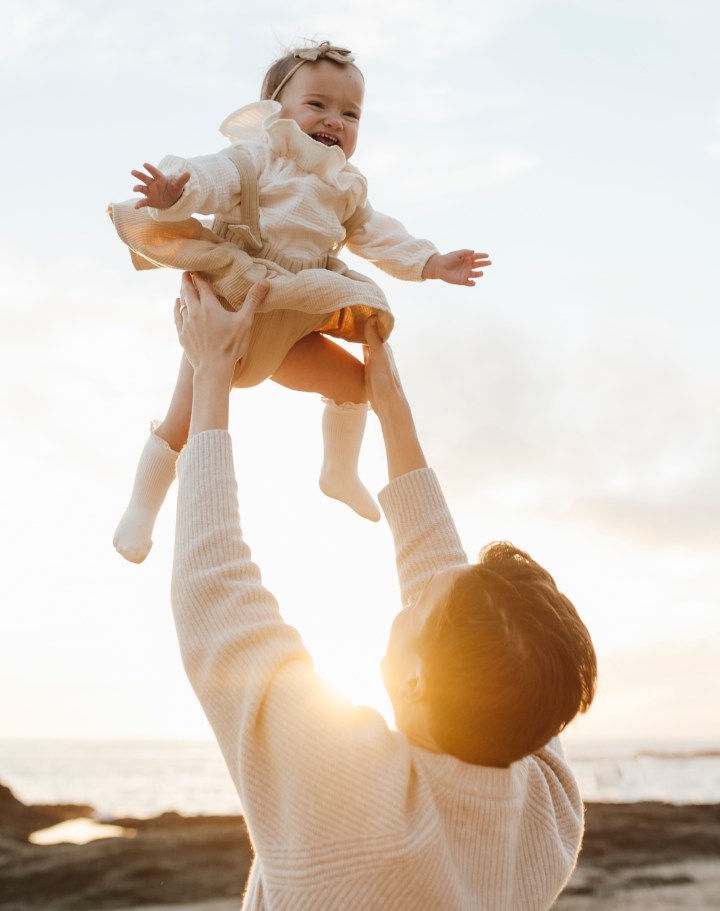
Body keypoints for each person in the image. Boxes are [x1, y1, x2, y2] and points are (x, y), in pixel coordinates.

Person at [170, 273, 597, 910]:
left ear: (421, 681)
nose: (414, 591)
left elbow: (213, 591)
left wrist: (209, 374)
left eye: (419, 606)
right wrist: (390, 405)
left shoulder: (345, 792)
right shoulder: (546, 810)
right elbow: (455, 596)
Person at [109, 40, 491, 563]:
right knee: (182, 421)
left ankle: (339, 471)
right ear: (275, 108)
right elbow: (214, 179)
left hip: (297, 317)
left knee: (357, 386)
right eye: (318, 104)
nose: (335, 120)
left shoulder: (346, 185)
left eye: (350, 112)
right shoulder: (260, 156)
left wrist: (430, 262)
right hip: (234, 306)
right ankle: (141, 508)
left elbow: (378, 234)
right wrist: (177, 193)